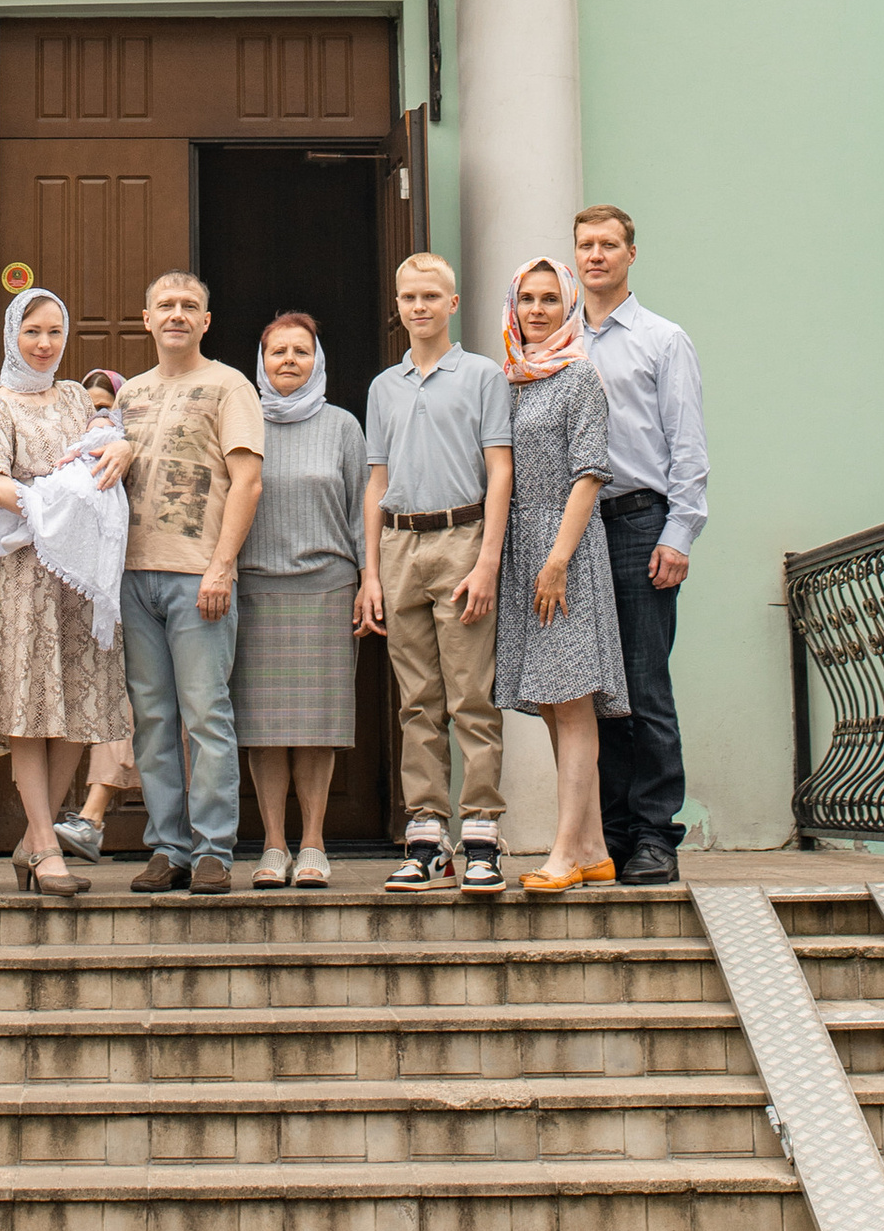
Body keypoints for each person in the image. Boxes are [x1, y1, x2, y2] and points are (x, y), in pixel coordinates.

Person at [358, 252, 513, 890]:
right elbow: (376, 481)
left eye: (430, 296)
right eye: (407, 297)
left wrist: (487, 563)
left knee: (472, 697)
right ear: (397, 306)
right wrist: (370, 572)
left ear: (452, 303)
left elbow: (500, 469)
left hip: (461, 539)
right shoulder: (382, 386)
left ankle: (481, 836)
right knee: (417, 702)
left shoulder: (482, 376)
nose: (418, 307)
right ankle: (425, 837)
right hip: (399, 547)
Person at [0, 288, 132, 899]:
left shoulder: (73, 396)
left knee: (73, 712)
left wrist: (118, 444)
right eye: (32, 332)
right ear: (13, 334)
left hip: (81, 579)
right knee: (30, 713)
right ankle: (42, 840)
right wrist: (50, 505)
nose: (44, 344)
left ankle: (35, 840)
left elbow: (107, 444)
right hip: (27, 578)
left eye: (54, 333)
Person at [571, 202, 708, 889]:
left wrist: (679, 531)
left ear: (630, 254)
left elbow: (687, 445)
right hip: (575, 531)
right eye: (585, 245)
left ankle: (656, 834)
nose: (595, 256)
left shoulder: (662, 339)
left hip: (638, 524)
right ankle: (612, 834)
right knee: (596, 690)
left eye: (608, 245)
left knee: (645, 685)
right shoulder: (558, 344)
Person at [114, 271, 264, 899]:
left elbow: (247, 481)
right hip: (132, 575)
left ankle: (212, 851)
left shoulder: (230, 385)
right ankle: (167, 848)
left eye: (190, 307)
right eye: (165, 306)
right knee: (152, 718)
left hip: (197, 576)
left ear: (206, 321)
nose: (177, 314)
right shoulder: (129, 396)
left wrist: (222, 565)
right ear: (145, 317)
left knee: (206, 715)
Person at [490, 255, 628, 894]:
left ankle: (566, 851)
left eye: (550, 299)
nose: (537, 310)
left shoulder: (581, 378)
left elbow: (590, 474)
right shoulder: (513, 380)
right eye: (527, 299)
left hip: (564, 552)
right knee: (552, 703)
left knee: (573, 704)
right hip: (523, 549)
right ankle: (595, 845)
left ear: (568, 306)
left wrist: (557, 561)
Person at [233, 312, 366, 889]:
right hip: (256, 587)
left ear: (319, 362)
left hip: (327, 588)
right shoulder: (240, 422)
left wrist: (370, 580)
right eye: (277, 351)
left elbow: (366, 508)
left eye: (301, 352)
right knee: (262, 726)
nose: (289, 360)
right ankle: (273, 844)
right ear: (260, 362)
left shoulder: (342, 427)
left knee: (317, 725)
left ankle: (312, 843)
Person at [56, 370, 141, 863]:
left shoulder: (133, 448)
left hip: (145, 586)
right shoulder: (69, 455)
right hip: (87, 595)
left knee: (156, 706)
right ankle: (70, 823)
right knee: (103, 704)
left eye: (107, 406)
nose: (99, 415)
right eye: (89, 407)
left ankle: (91, 816)